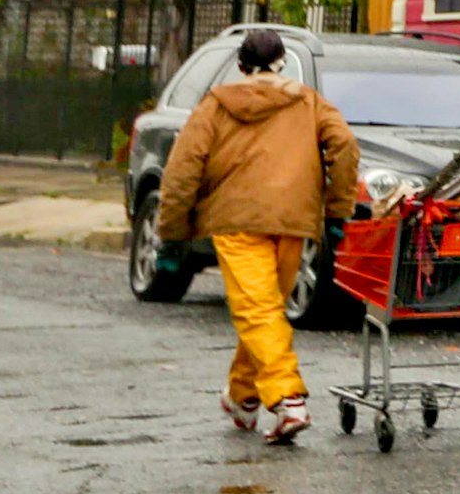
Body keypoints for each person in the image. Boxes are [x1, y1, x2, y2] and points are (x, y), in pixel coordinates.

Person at [153, 29, 360, 443]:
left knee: (258, 311)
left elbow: (181, 171)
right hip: (294, 221)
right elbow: (345, 147)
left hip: (236, 220)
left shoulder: (215, 105)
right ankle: (243, 397)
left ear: (242, 67)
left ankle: (288, 398)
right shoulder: (310, 103)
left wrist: (173, 234)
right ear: (282, 63)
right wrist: (337, 211)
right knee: (266, 310)